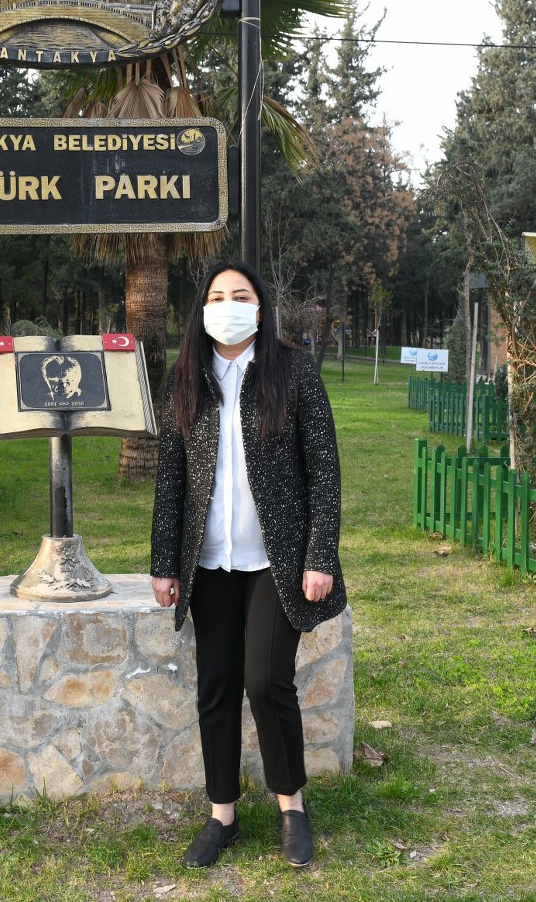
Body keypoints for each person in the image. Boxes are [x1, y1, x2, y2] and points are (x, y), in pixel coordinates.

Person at [150, 261, 345, 871]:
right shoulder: (187, 377)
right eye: (215, 296)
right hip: (209, 563)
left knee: (265, 681)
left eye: (239, 295)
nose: (227, 305)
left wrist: (319, 555)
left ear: (259, 308)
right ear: (202, 308)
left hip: (274, 560)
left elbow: (325, 471)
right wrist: (164, 561)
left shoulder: (294, 372)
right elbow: (171, 476)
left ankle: (292, 806)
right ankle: (222, 814)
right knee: (215, 686)